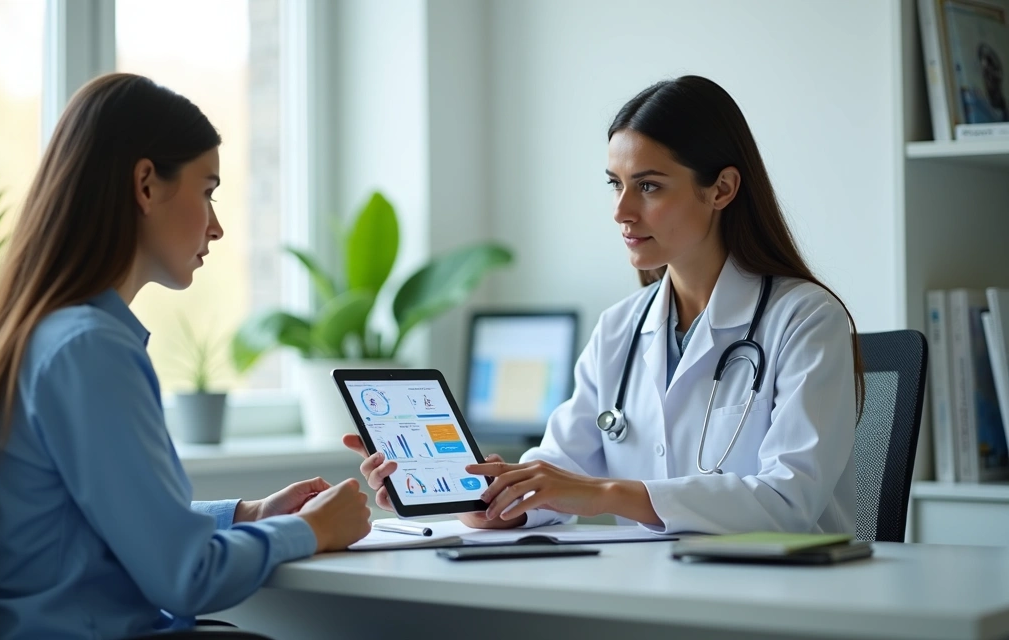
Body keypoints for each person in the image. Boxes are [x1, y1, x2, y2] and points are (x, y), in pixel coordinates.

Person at [0, 73, 371, 639]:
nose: (218, 225)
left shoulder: (36, 333)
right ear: (147, 184)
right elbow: (188, 578)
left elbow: (88, 528)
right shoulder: (89, 349)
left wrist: (247, 516)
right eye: (207, 190)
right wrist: (314, 532)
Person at [345, 75, 864, 535]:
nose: (622, 211)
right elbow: (559, 465)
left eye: (649, 186)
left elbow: (788, 500)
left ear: (722, 189)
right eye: (616, 185)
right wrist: (492, 500)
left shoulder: (805, 319)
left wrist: (605, 493)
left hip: (786, 598)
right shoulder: (620, 329)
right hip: (650, 592)